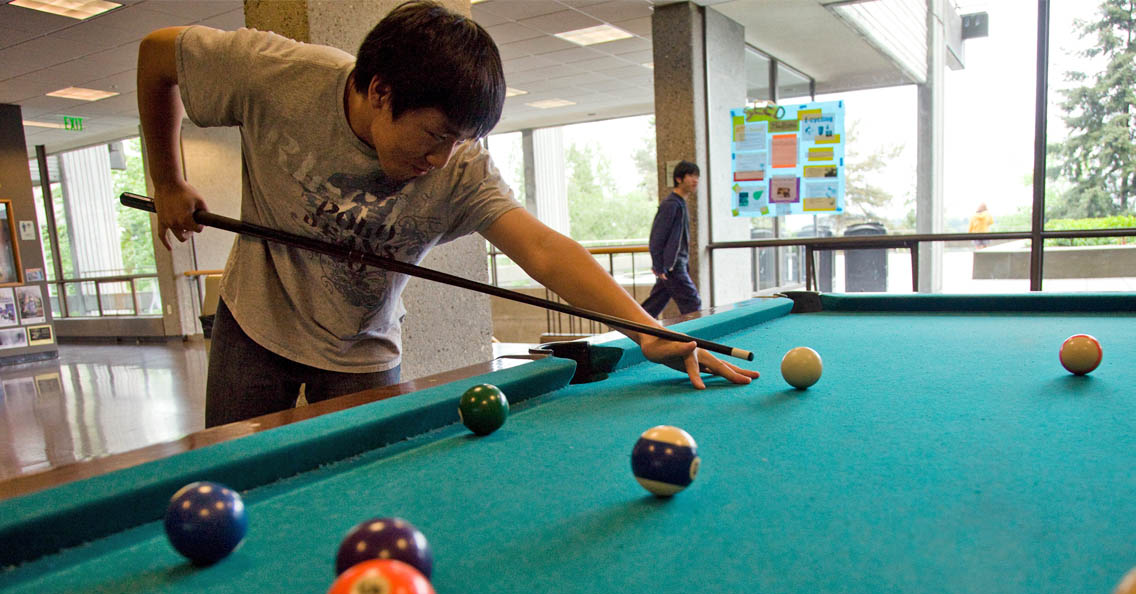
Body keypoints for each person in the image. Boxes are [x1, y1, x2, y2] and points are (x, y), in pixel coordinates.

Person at [137, 2, 756, 428]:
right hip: (255, 326)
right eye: (435, 135)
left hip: (363, 349)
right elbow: (157, 54)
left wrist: (650, 333)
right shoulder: (277, 75)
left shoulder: (461, 167)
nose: (442, 159)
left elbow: (543, 250)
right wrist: (166, 179)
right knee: (222, 490)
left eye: (461, 140)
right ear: (379, 91)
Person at [642, 161, 701, 318]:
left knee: (653, 306)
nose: (695, 180)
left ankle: (627, 330)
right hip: (673, 267)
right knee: (692, 303)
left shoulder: (679, 204)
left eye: (697, 176)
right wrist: (659, 266)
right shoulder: (671, 205)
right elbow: (657, 237)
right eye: (691, 176)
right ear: (679, 179)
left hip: (673, 266)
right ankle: (694, 340)